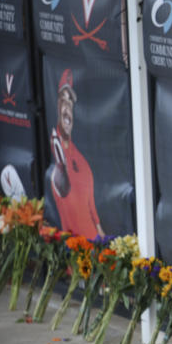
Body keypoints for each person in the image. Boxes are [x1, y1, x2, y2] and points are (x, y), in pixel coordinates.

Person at [44, 68, 103, 238]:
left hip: (97, 256)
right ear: (57, 106)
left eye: (70, 103)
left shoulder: (82, 159)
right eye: (63, 100)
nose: (67, 107)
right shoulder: (55, 147)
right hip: (76, 257)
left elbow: (93, 212)